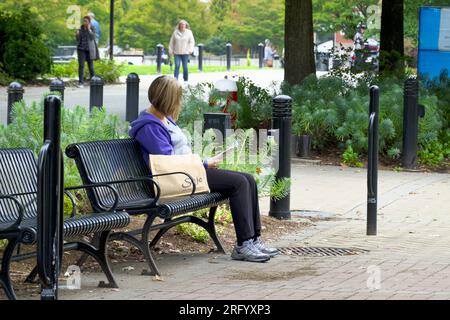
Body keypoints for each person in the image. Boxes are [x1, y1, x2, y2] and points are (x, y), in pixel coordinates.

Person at [129, 76, 280, 263]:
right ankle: (243, 245)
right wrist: (204, 164)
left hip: (188, 173)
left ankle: (254, 239)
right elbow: (168, 163)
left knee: (248, 179)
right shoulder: (150, 127)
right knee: (239, 183)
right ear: (167, 100)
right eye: (177, 99)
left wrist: (203, 162)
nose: (180, 103)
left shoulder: (163, 119)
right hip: (175, 179)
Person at [76, 16, 99, 88]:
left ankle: (93, 81)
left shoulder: (92, 28)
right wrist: (77, 35)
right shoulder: (80, 28)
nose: (84, 22)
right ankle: (81, 83)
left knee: (91, 66)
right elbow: (78, 39)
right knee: (81, 66)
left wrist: (89, 30)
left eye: (86, 21)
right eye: (84, 21)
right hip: (81, 49)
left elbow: (92, 37)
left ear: (89, 22)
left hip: (89, 50)